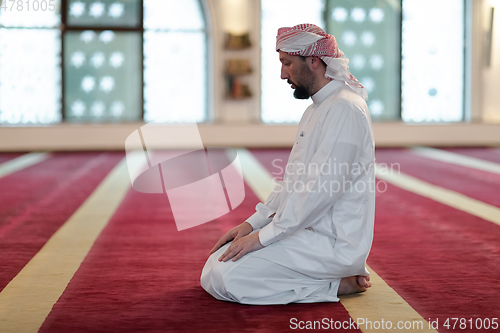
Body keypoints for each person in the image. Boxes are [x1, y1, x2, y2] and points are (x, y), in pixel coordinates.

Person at [200, 23, 375, 304]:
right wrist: (250, 225)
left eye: (287, 63)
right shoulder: (316, 110)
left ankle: (335, 285)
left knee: (229, 278)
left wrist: (262, 238)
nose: (283, 74)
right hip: (303, 231)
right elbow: (292, 183)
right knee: (214, 265)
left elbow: (320, 191)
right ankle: (325, 282)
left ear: (314, 61)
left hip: (331, 243)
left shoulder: (345, 108)